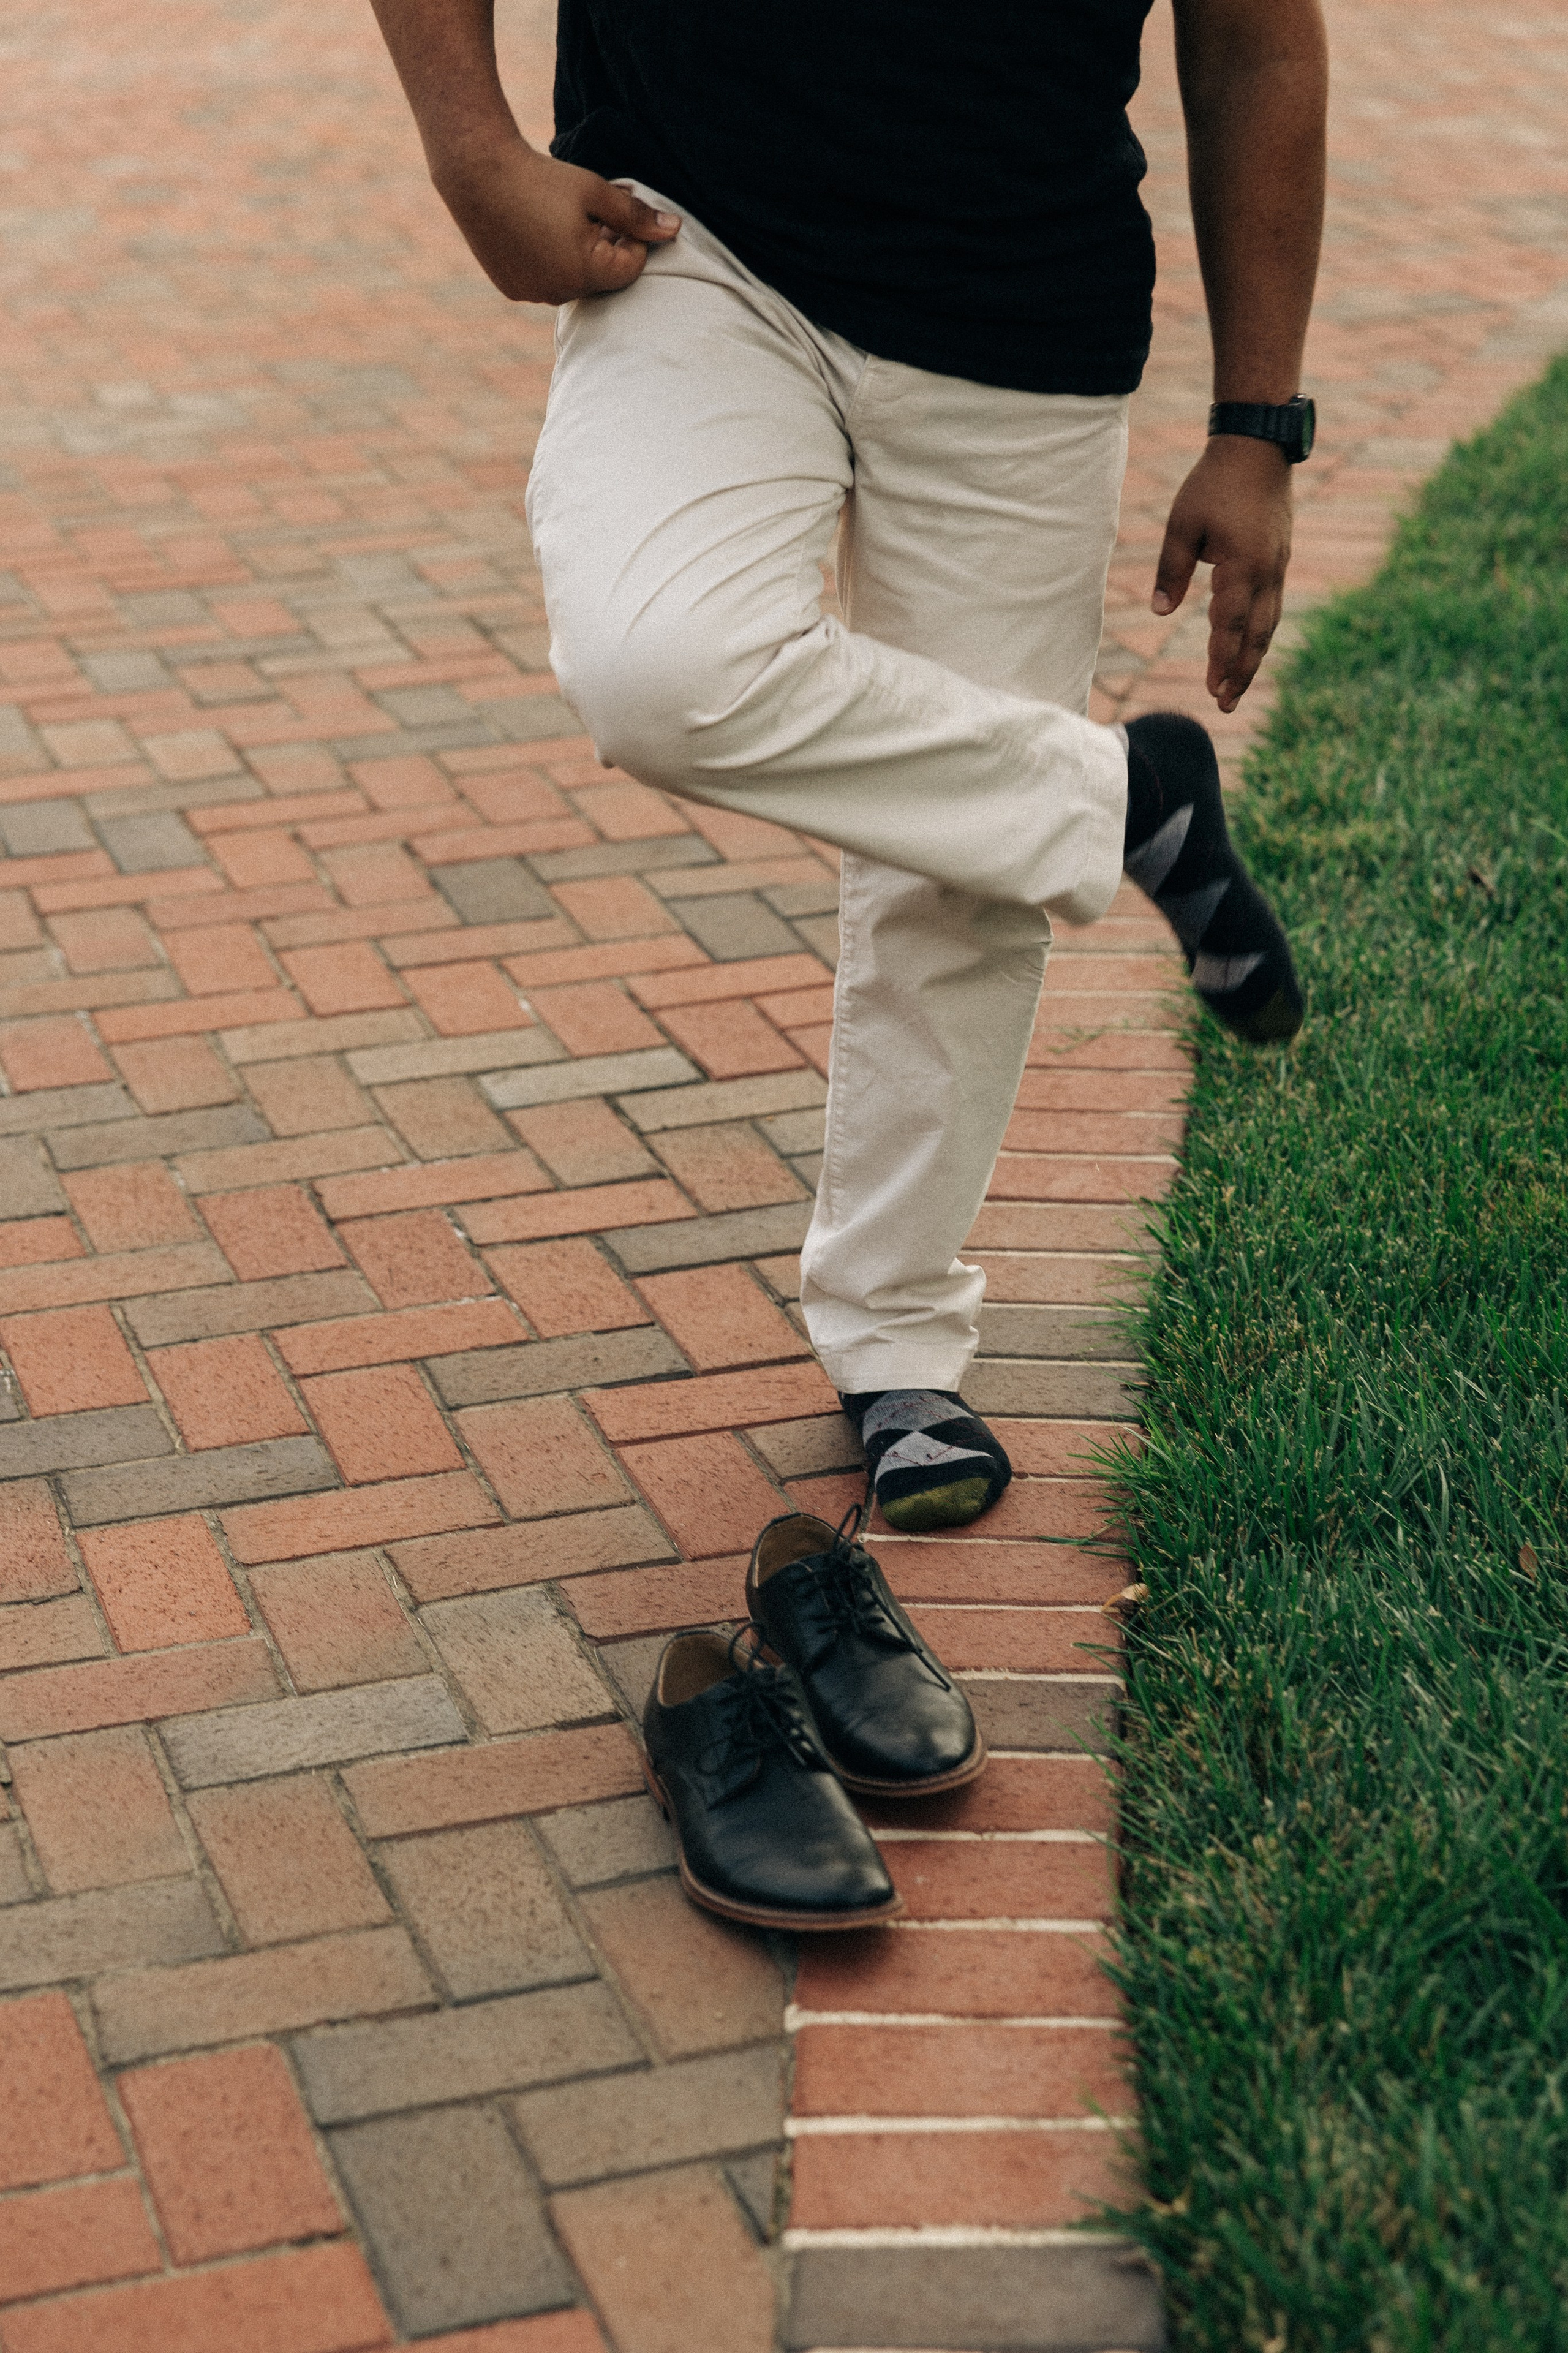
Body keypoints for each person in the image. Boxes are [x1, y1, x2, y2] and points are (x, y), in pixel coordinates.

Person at [369, 0, 1327, 1534]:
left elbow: (1255, 39)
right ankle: (1124, 805)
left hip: (1025, 300)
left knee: (957, 874)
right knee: (657, 668)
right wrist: (470, 149)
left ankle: (895, 1346)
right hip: (697, 243)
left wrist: (1256, 427)